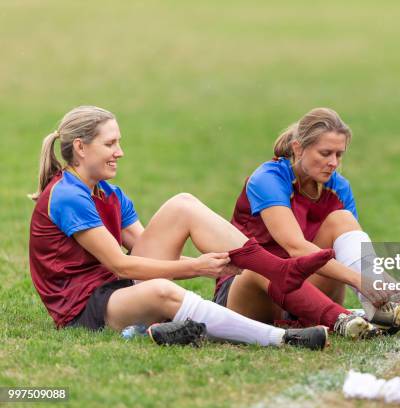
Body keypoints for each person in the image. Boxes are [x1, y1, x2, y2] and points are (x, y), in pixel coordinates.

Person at [28, 105, 334, 350]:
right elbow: (121, 265)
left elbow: (141, 251)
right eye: (110, 144)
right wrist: (198, 268)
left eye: (118, 142)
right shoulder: (68, 194)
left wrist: (221, 263)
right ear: (80, 148)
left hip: (115, 289)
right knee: (163, 290)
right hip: (84, 308)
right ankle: (281, 338)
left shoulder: (110, 193)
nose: (119, 152)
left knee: (182, 204)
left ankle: (280, 273)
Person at [215, 107, 400, 338]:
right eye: (325, 153)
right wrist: (360, 280)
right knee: (266, 265)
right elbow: (295, 248)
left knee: (341, 220)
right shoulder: (267, 179)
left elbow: (349, 254)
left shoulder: (339, 186)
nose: (333, 162)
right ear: (298, 148)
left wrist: (385, 282)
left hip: (302, 291)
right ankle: (340, 314)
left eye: (339, 154)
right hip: (249, 292)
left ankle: (380, 309)